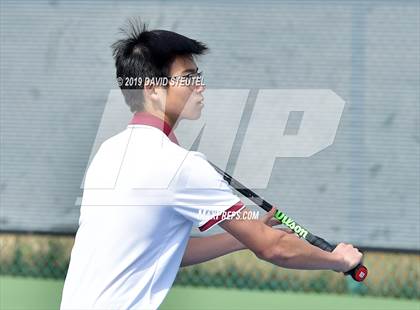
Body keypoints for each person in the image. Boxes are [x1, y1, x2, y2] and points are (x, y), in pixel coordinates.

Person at [60, 20, 363, 309]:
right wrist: (337, 260)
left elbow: (157, 251)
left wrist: (238, 239)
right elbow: (273, 247)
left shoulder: (108, 153)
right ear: (152, 88)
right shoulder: (181, 166)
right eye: (189, 77)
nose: (200, 86)